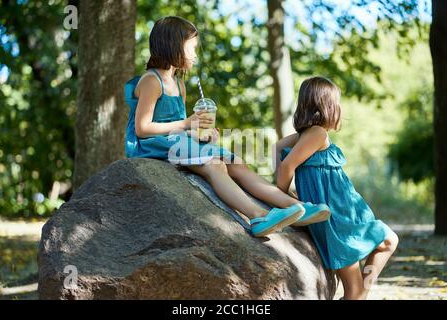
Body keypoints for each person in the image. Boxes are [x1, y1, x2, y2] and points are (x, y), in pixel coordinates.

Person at [124, 16, 330, 238]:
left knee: (234, 161)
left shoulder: (179, 84)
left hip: (175, 141)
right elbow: (142, 128)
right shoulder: (151, 81)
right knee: (215, 165)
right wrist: (186, 124)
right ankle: (257, 215)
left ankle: (295, 206)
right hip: (151, 145)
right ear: (172, 45)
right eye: (191, 48)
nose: (195, 55)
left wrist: (200, 134)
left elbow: (183, 129)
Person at [276, 76, 399, 299]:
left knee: (388, 241)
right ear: (326, 106)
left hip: (346, 213)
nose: (340, 108)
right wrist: (280, 198)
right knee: (354, 289)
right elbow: (287, 167)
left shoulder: (306, 135)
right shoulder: (317, 134)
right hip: (337, 221)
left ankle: (364, 290)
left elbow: (278, 147)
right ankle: (360, 293)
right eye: (337, 102)